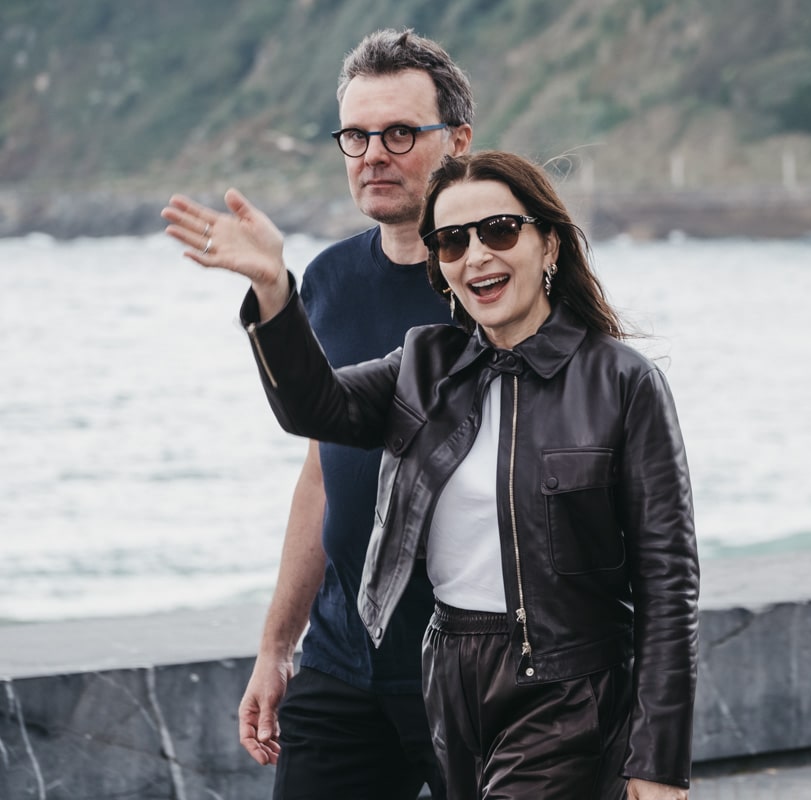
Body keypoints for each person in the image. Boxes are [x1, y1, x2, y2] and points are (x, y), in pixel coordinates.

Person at [162, 150, 699, 799]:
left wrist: (658, 759)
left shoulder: (621, 382)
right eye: (452, 241)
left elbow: (668, 581)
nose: (476, 256)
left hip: (567, 691)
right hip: (448, 682)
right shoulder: (425, 364)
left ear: (549, 244)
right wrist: (274, 289)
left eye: (500, 231)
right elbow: (313, 407)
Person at [231, 28, 471, 800]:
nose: (373, 154)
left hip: (476, 665)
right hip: (344, 660)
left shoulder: (497, 282)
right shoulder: (329, 278)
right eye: (357, 135)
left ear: (457, 141)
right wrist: (277, 645)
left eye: (400, 132)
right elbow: (321, 472)